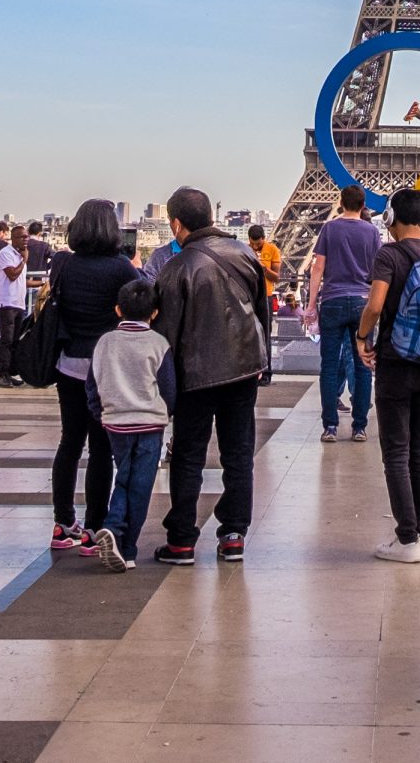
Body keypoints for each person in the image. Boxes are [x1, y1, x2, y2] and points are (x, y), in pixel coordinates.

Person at [153, 186, 271, 566]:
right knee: (238, 453)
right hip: (242, 369)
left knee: (188, 454)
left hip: (196, 375)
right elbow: (260, 314)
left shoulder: (177, 268)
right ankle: (234, 534)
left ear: (176, 224)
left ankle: (182, 540)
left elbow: (167, 335)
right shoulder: (244, 254)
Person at [354, 187, 420, 562]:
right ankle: (418, 535)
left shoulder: (389, 254)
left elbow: (376, 304)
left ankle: (407, 538)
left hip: (397, 360)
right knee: (419, 450)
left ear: (390, 217)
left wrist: (363, 336)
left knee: (395, 451)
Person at [48, 198, 141, 552]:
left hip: (68, 363)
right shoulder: (120, 269)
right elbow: (144, 300)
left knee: (69, 442)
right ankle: (93, 527)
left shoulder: (64, 265)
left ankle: (61, 523)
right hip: (104, 366)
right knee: (101, 448)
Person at [86, 276, 174, 571]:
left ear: (118, 310)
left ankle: (116, 535)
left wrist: (102, 413)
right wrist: (165, 413)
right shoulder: (159, 343)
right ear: (155, 313)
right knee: (140, 485)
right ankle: (125, 542)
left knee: (123, 477)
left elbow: (92, 384)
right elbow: (169, 389)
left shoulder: (105, 342)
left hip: (116, 424)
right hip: (149, 423)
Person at [306, 185, 380, 443]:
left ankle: (330, 427)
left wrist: (311, 305)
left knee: (328, 366)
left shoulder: (330, 228)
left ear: (341, 202)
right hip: (362, 303)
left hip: (333, 301)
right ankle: (359, 427)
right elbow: (377, 271)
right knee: (363, 365)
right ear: (363, 205)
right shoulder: (372, 231)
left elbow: (318, 269)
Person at [0, 224, 30, 387]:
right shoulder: (6, 253)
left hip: (19, 303)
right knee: (6, 340)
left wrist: (41, 284)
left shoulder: (19, 256)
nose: (25, 240)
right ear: (13, 239)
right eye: (22, 237)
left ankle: (10, 372)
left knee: (15, 340)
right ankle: (2, 374)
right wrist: (24, 260)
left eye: (26, 237)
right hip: (6, 303)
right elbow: (13, 275)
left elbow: (22, 279)